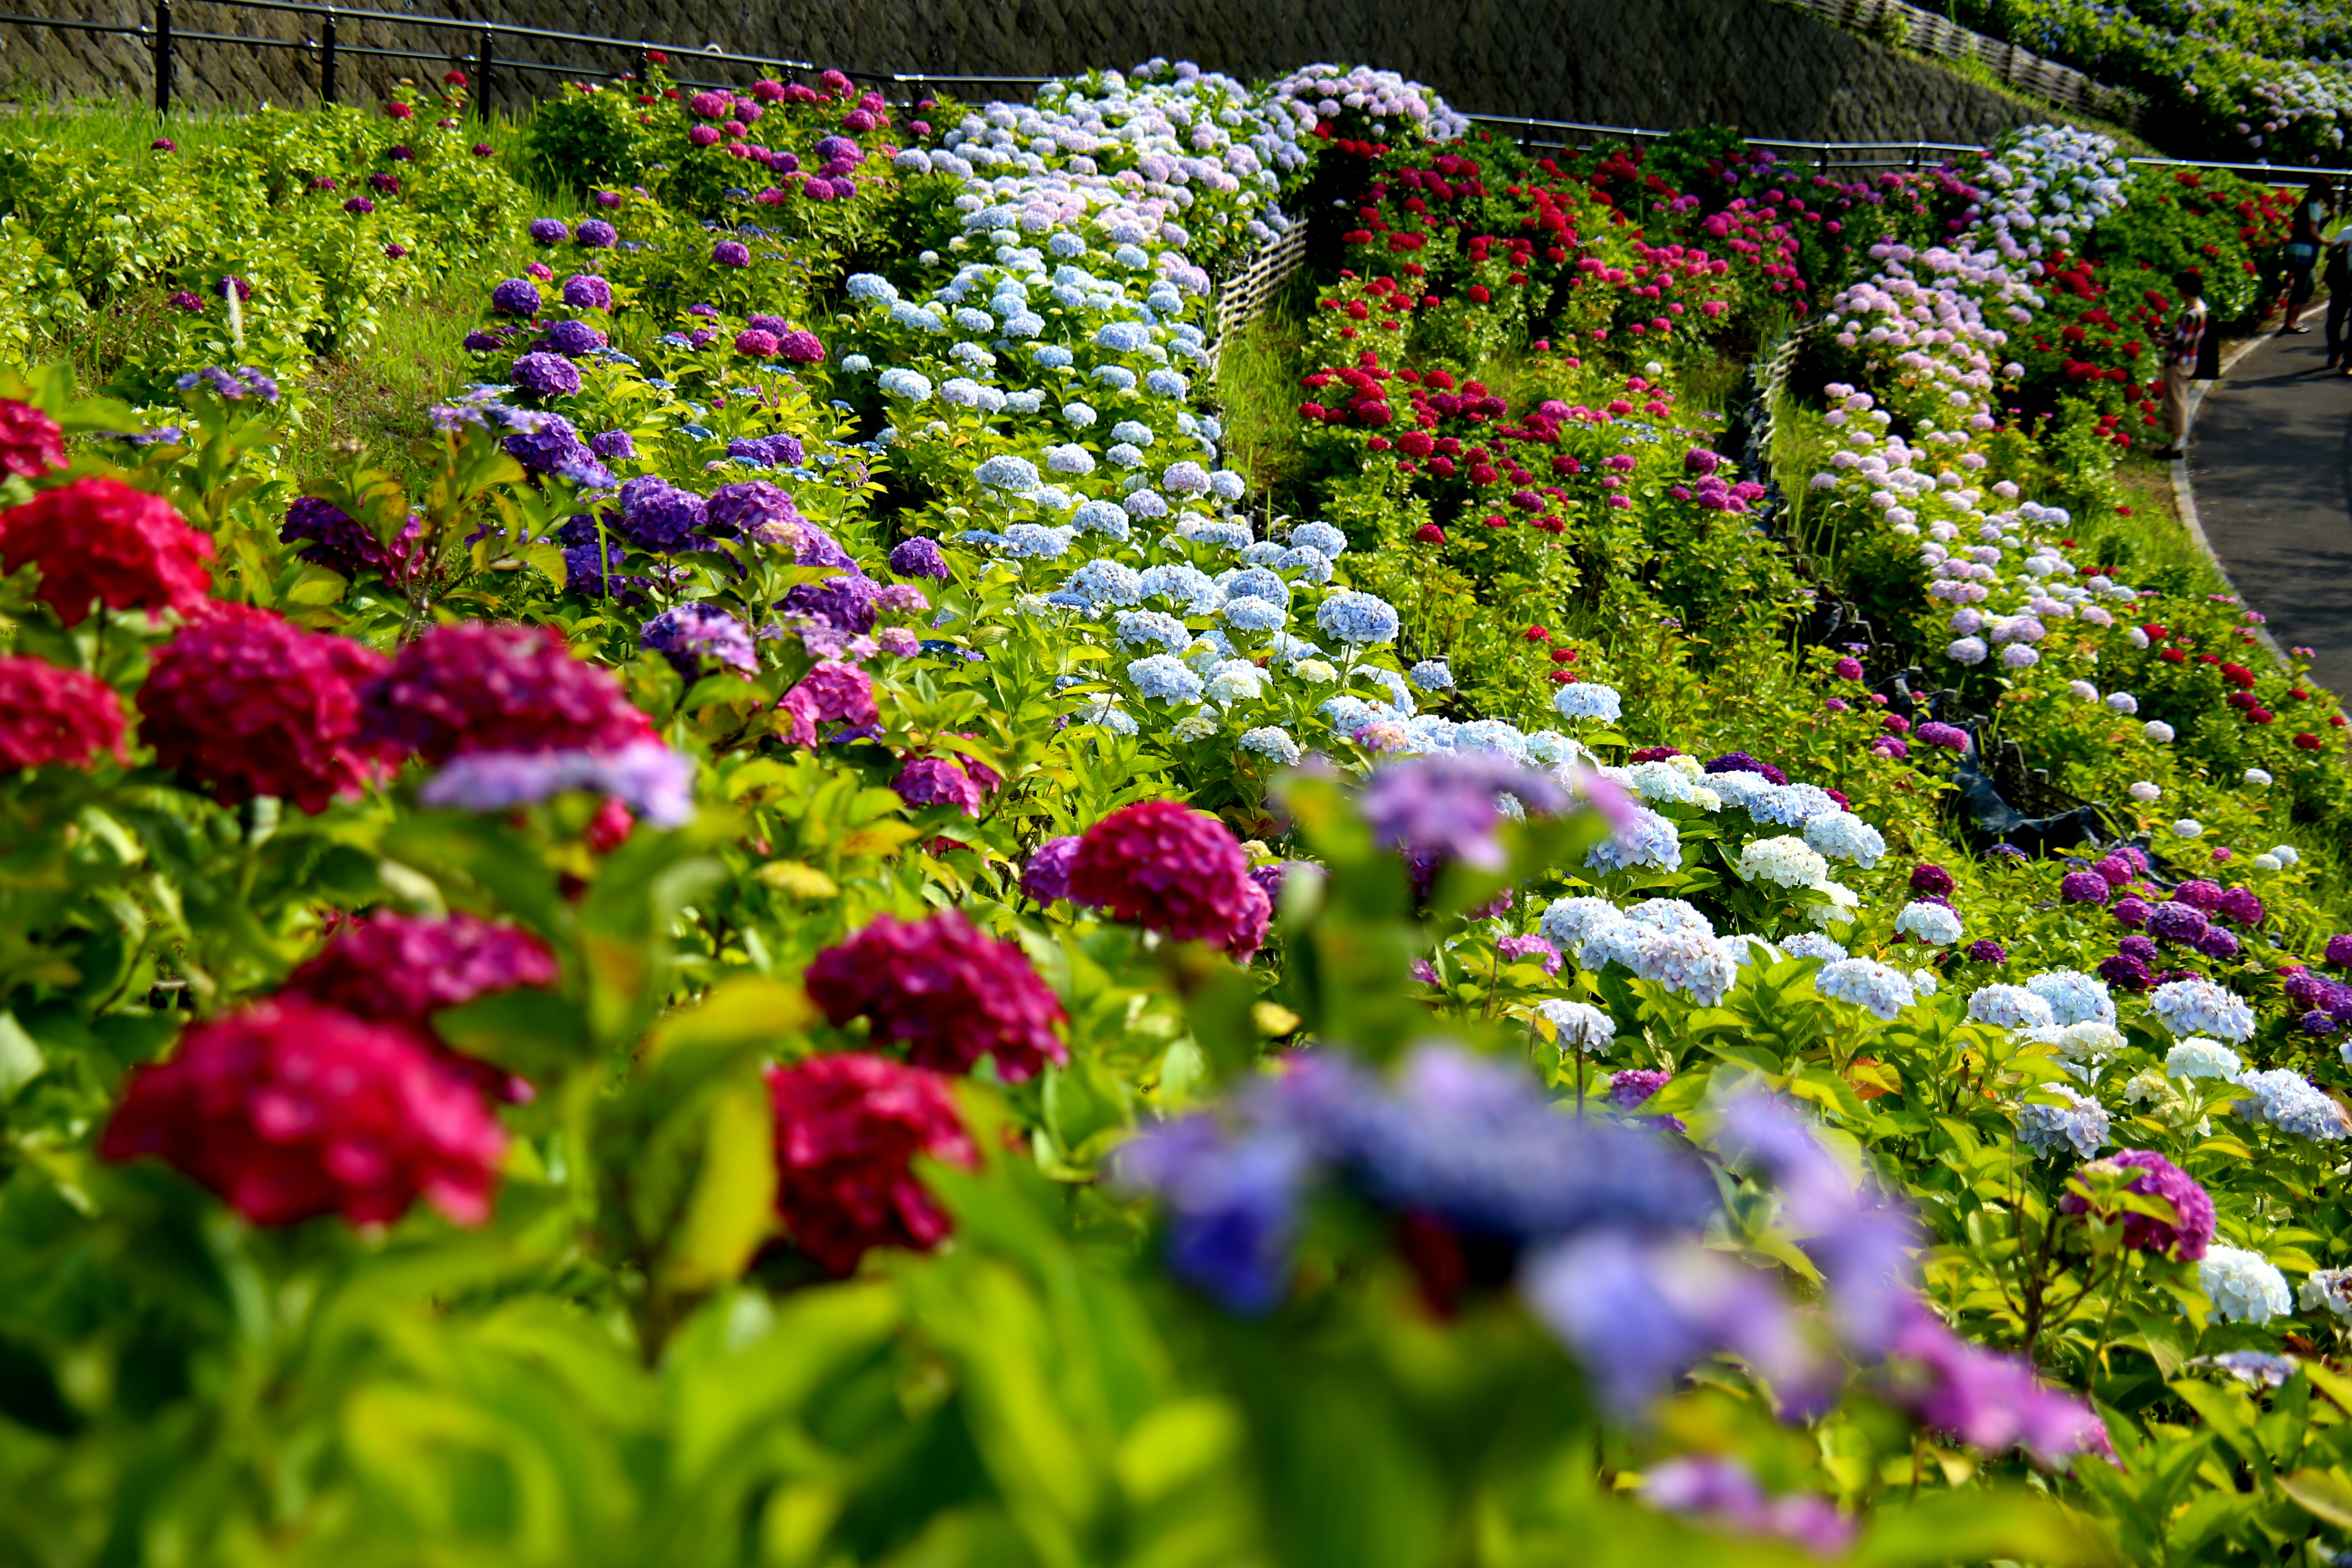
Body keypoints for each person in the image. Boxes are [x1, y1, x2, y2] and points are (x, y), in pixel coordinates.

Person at [2153, 268, 2207, 461]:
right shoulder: (2201, 309)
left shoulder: (2190, 315)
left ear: (2184, 291)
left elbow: (2178, 343)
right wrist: (2164, 335)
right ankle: (2177, 442)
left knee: (2176, 402)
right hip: (2190, 360)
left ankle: (2177, 444)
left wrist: (2158, 340)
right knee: (2179, 399)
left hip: (2179, 362)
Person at [2282, 175, 2333, 334]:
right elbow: (2314, 232)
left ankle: (2295, 321)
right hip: (2304, 251)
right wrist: (2329, 243)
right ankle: (2291, 323)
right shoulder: (2314, 206)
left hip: (2295, 248)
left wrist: (2330, 218)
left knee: (2308, 287)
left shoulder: (2305, 203)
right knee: (2302, 287)